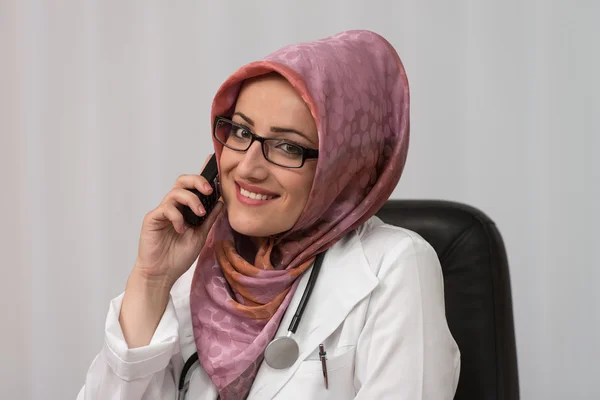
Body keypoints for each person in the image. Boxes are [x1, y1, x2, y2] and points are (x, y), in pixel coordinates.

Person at [77, 30, 460, 400]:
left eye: (286, 147)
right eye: (241, 132)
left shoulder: (394, 266)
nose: (247, 168)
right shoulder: (198, 273)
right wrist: (152, 279)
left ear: (340, 166)